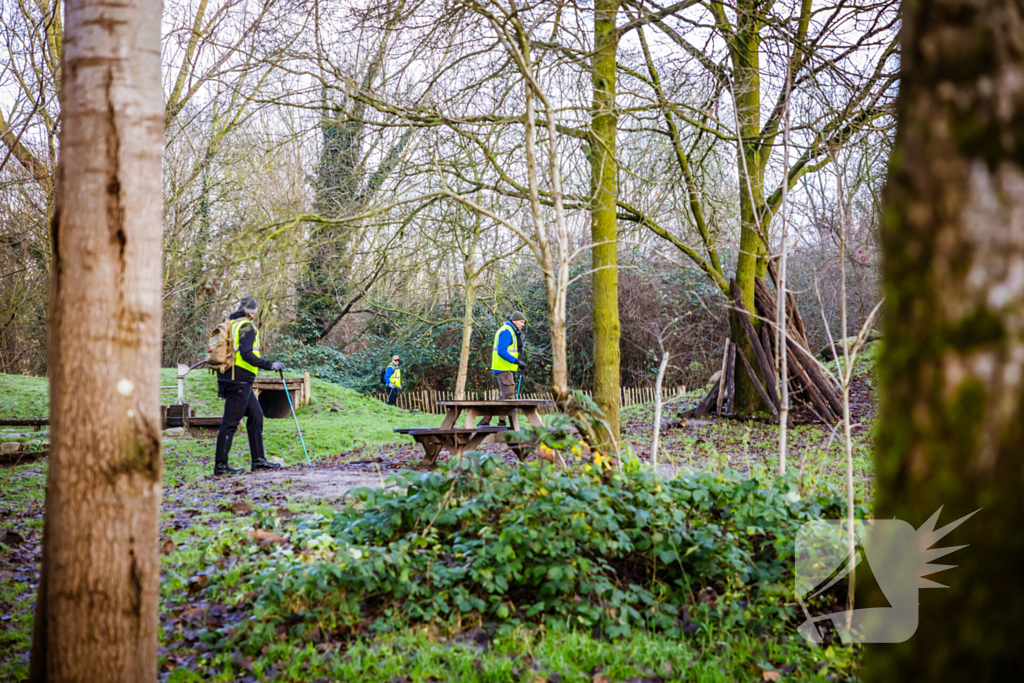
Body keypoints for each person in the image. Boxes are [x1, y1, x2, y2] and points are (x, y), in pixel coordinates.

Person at [214, 295, 285, 475]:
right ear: (253, 311)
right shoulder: (246, 326)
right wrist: (270, 365)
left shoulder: (233, 324)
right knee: (230, 423)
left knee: (256, 415)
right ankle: (220, 466)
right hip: (238, 380)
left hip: (234, 378)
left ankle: (258, 461)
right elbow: (246, 354)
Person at [479, 311, 526, 426]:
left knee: (507, 394)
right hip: (503, 368)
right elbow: (501, 351)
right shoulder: (507, 331)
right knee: (508, 394)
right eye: (521, 322)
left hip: (505, 368)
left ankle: (497, 419)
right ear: (514, 321)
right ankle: (496, 419)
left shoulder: (510, 330)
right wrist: (516, 361)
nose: (523, 324)